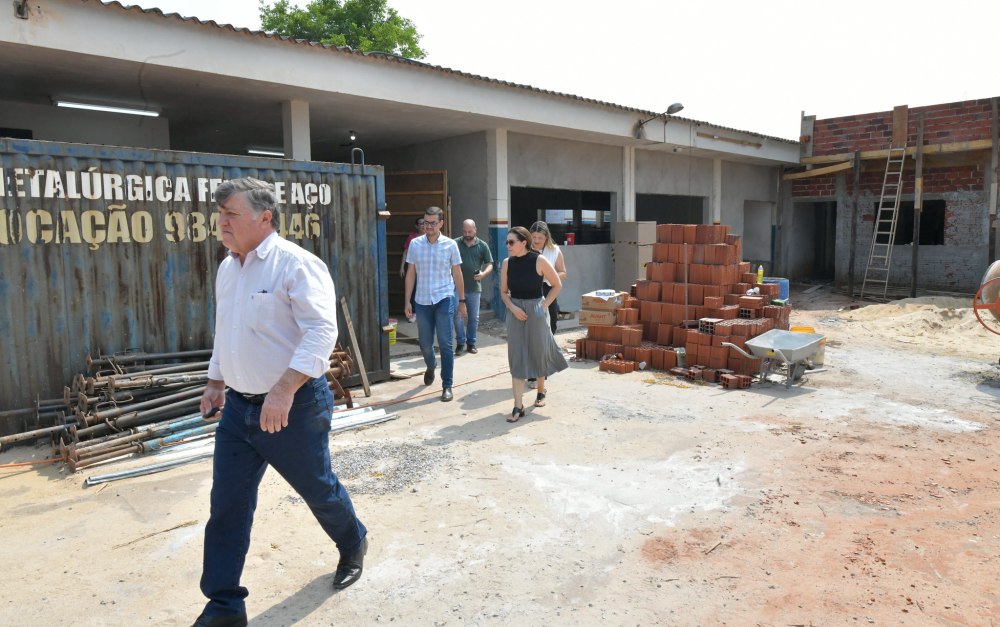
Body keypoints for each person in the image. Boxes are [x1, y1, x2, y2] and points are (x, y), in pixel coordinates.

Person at [192, 178, 368, 627]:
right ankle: (225, 606)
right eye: (220, 214)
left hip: (294, 408)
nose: (222, 222)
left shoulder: (296, 264)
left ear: (264, 218)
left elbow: (321, 332)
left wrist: (284, 389)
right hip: (238, 411)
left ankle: (353, 542)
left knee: (318, 490)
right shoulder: (228, 269)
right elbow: (226, 332)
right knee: (227, 506)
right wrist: (215, 382)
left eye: (231, 214)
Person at [500, 226, 568, 422]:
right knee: (517, 356)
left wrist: (544, 305)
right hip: (515, 312)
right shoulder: (507, 263)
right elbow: (504, 292)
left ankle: (540, 390)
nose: (508, 245)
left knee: (538, 352)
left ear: (524, 243)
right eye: (506, 242)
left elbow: (557, 284)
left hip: (536, 310)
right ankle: (517, 405)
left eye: (511, 242)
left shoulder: (539, 260)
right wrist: (513, 308)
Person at [403, 206, 467, 402]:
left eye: (432, 223)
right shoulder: (415, 244)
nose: (428, 226)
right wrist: (407, 301)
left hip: (444, 298)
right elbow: (411, 273)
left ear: (440, 223)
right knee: (425, 344)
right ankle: (431, 366)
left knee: (446, 344)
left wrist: (462, 301)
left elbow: (457, 274)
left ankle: (447, 384)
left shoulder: (450, 245)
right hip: (422, 301)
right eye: (426, 222)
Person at [527, 221, 567, 389]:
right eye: (534, 237)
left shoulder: (554, 250)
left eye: (540, 238)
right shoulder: (524, 249)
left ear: (546, 238)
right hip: (530, 291)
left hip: (549, 289)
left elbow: (563, 272)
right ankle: (532, 374)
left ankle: (543, 369)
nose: (536, 241)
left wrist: (550, 275)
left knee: (550, 328)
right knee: (532, 332)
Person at [453, 219, 494, 356]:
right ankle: (460, 343)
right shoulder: (455, 243)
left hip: (474, 288)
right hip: (457, 288)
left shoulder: (482, 245)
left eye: (469, 231)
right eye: (464, 231)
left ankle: (471, 343)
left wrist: (483, 274)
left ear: (475, 230)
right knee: (458, 316)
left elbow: (490, 264)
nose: (467, 234)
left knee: (474, 317)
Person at [399, 218, 425, 323]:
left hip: (425, 269)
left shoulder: (430, 237)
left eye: (425, 223)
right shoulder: (412, 238)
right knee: (414, 289)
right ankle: (414, 313)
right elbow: (406, 252)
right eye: (421, 224)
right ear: (416, 226)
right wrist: (402, 267)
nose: (423, 226)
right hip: (413, 268)